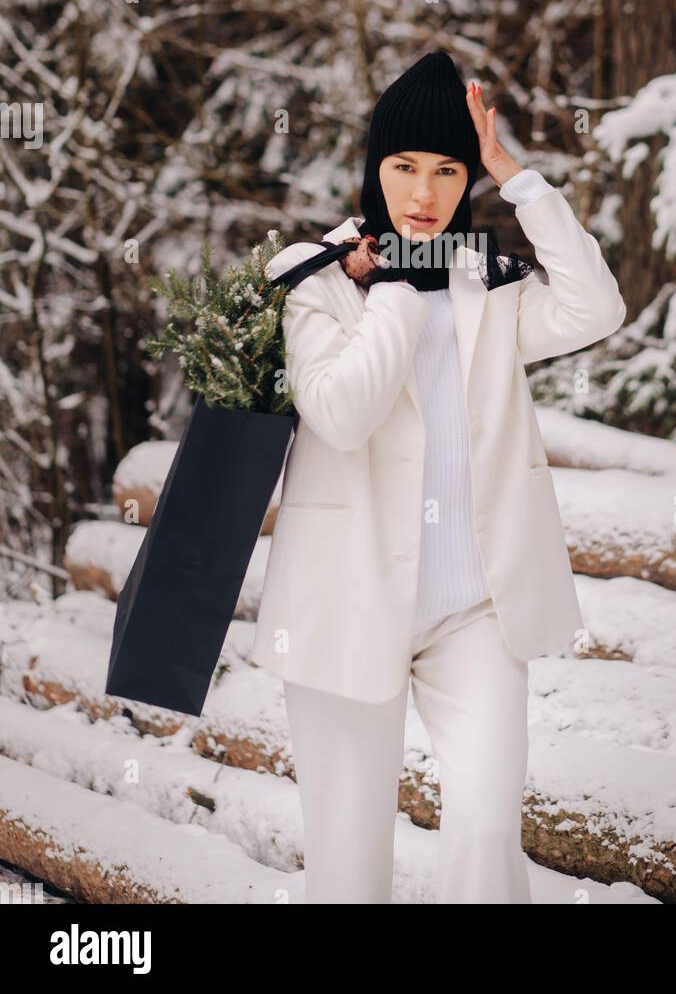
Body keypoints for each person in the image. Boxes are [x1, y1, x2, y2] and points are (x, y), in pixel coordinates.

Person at [250, 49, 627, 903]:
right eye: (404, 167)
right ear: (375, 170)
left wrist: (521, 180)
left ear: (468, 180)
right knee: (349, 874)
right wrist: (393, 287)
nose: (424, 193)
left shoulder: (487, 285)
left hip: (475, 613)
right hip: (345, 612)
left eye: (448, 169)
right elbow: (341, 412)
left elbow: (598, 308)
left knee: (488, 840)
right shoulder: (315, 280)